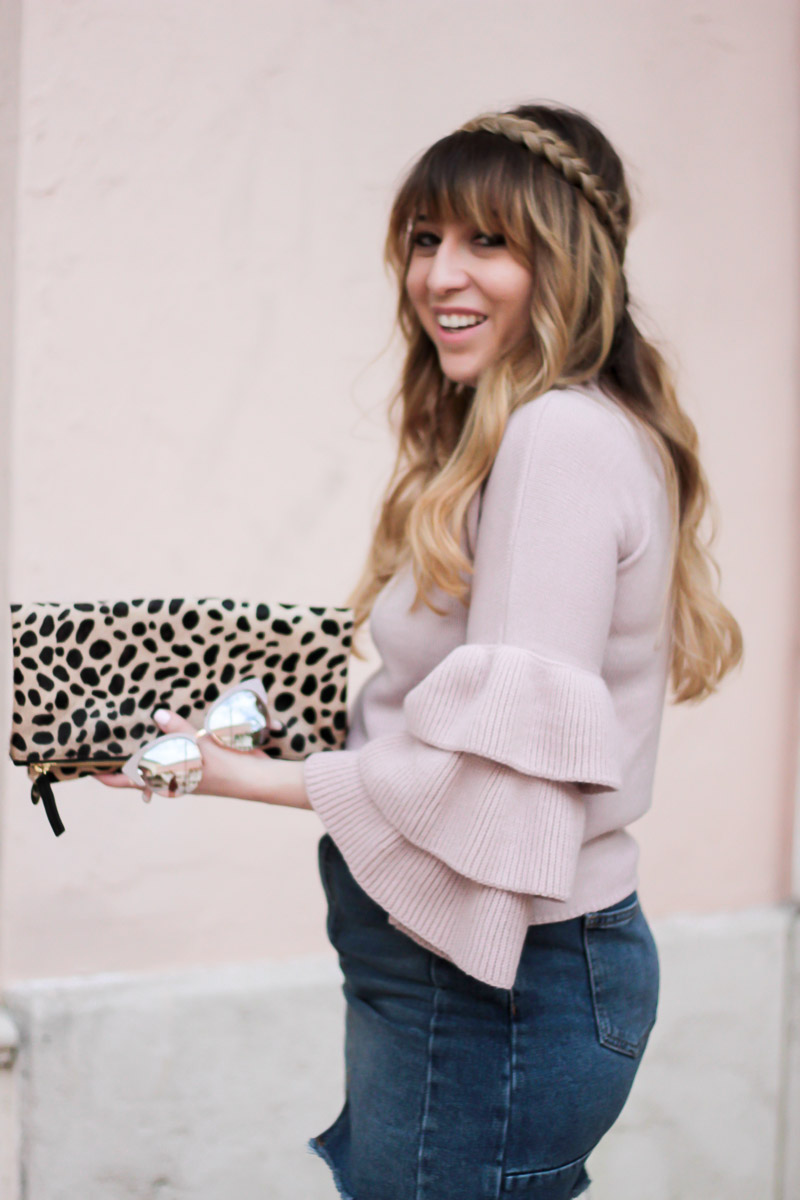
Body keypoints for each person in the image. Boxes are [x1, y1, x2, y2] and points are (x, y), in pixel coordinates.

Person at [97, 102, 743, 1200]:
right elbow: (449, 710)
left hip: (490, 975)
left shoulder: (556, 438)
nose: (440, 274)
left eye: (488, 241)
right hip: (476, 971)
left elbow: (495, 782)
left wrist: (229, 775)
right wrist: (253, 716)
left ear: (569, 260)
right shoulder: (547, 430)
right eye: (424, 237)